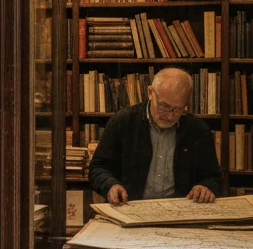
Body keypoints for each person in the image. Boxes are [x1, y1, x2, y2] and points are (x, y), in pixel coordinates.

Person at [89, 67, 221, 205]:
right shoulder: (123, 121)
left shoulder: (198, 129)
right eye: (164, 106)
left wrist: (206, 187)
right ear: (150, 93)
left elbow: (214, 177)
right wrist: (110, 185)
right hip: (129, 207)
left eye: (178, 109)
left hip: (180, 211)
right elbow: (98, 168)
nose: (170, 116)